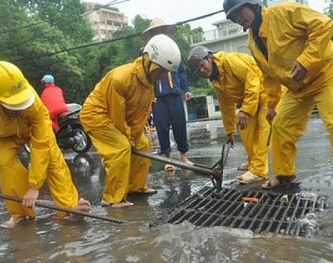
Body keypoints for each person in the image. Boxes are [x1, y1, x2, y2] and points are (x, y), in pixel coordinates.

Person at [223, 0, 333, 188]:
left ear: (253, 5)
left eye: (240, 12)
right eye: (233, 17)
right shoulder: (252, 42)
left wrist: (306, 60)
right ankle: (284, 176)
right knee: (280, 126)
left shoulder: (283, 12)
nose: (238, 19)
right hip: (298, 87)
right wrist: (272, 105)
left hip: (327, 74)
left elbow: (323, 24)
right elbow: (269, 76)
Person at [0, 61, 90, 228]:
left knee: (54, 161)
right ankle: (20, 214)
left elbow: (41, 147)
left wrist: (34, 186)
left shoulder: (33, 102)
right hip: (4, 136)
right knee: (5, 165)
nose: (18, 109)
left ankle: (70, 210)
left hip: (32, 129)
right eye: (13, 105)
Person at [80, 34, 181, 208]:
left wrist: (134, 135)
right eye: (161, 70)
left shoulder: (149, 81)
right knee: (120, 147)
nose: (163, 75)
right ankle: (112, 198)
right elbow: (116, 114)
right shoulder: (121, 78)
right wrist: (127, 137)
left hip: (116, 118)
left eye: (166, 72)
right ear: (149, 60)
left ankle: (135, 187)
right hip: (97, 115)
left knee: (142, 144)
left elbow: (139, 115)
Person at [187, 46, 272, 184]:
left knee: (264, 131)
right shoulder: (215, 78)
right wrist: (229, 131)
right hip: (251, 99)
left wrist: (245, 110)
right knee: (244, 128)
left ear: (209, 58)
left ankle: (258, 170)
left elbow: (252, 80)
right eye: (198, 71)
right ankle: (253, 162)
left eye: (202, 66)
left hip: (267, 93)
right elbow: (225, 105)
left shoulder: (229, 61)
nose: (202, 71)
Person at [141, 18, 192, 171]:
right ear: (151, 34)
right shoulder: (146, 52)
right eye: (155, 31)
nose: (159, 33)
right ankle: (168, 160)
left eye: (161, 30)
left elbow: (181, 71)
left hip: (175, 94)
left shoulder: (173, 49)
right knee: (161, 127)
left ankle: (183, 156)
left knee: (180, 126)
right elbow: (143, 74)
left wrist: (186, 89)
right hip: (157, 98)